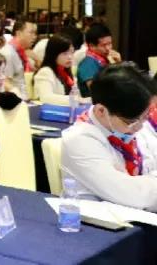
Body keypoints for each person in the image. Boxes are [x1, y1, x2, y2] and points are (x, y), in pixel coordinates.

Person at [62, 64, 157, 210]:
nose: (138, 127)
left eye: (145, 117)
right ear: (101, 111)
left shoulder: (132, 124)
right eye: (130, 122)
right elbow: (133, 196)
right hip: (104, 219)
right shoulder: (79, 141)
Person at [34, 34, 91, 107]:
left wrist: (83, 100)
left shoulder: (67, 72)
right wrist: (76, 100)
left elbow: (77, 98)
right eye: (65, 53)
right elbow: (46, 98)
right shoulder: (45, 72)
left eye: (72, 52)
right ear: (54, 54)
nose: (70, 57)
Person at [76, 23, 123, 98]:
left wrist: (119, 63)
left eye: (110, 43)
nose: (108, 48)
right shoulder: (88, 64)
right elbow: (97, 92)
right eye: (104, 45)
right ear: (91, 46)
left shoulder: (106, 59)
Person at [0, 17, 36, 100]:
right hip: (16, 101)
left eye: (35, 33)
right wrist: (20, 98)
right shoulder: (8, 53)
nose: (34, 37)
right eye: (31, 33)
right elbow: (4, 82)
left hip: (25, 99)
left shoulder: (22, 52)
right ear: (19, 33)